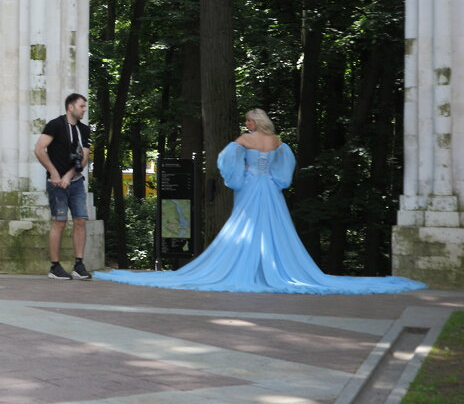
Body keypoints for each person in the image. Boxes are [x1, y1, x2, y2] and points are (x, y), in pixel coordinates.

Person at [95, 109, 428, 294]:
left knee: (244, 227)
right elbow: (288, 165)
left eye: (248, 120)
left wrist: (239, 174)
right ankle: (272, 269)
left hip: (251, 187)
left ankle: (249, 269)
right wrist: (274, 179)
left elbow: (226, 159)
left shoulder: (245, 139)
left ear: (254, 122)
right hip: (269, 188)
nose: (245, 124)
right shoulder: (277, 140)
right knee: (274, 230)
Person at [34, 93, 93, 280]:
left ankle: (79, 264)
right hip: (56, 183)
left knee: (80, 220)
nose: (84, 110)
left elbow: (83, 158)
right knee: (59, 222)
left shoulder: (84, 130)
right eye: (81, 106)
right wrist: (54, 173)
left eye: (85, 107)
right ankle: (55, 266)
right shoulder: (55, 125)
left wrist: (68, 176)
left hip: (75, 182)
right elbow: (39, 149)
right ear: (70, 107)